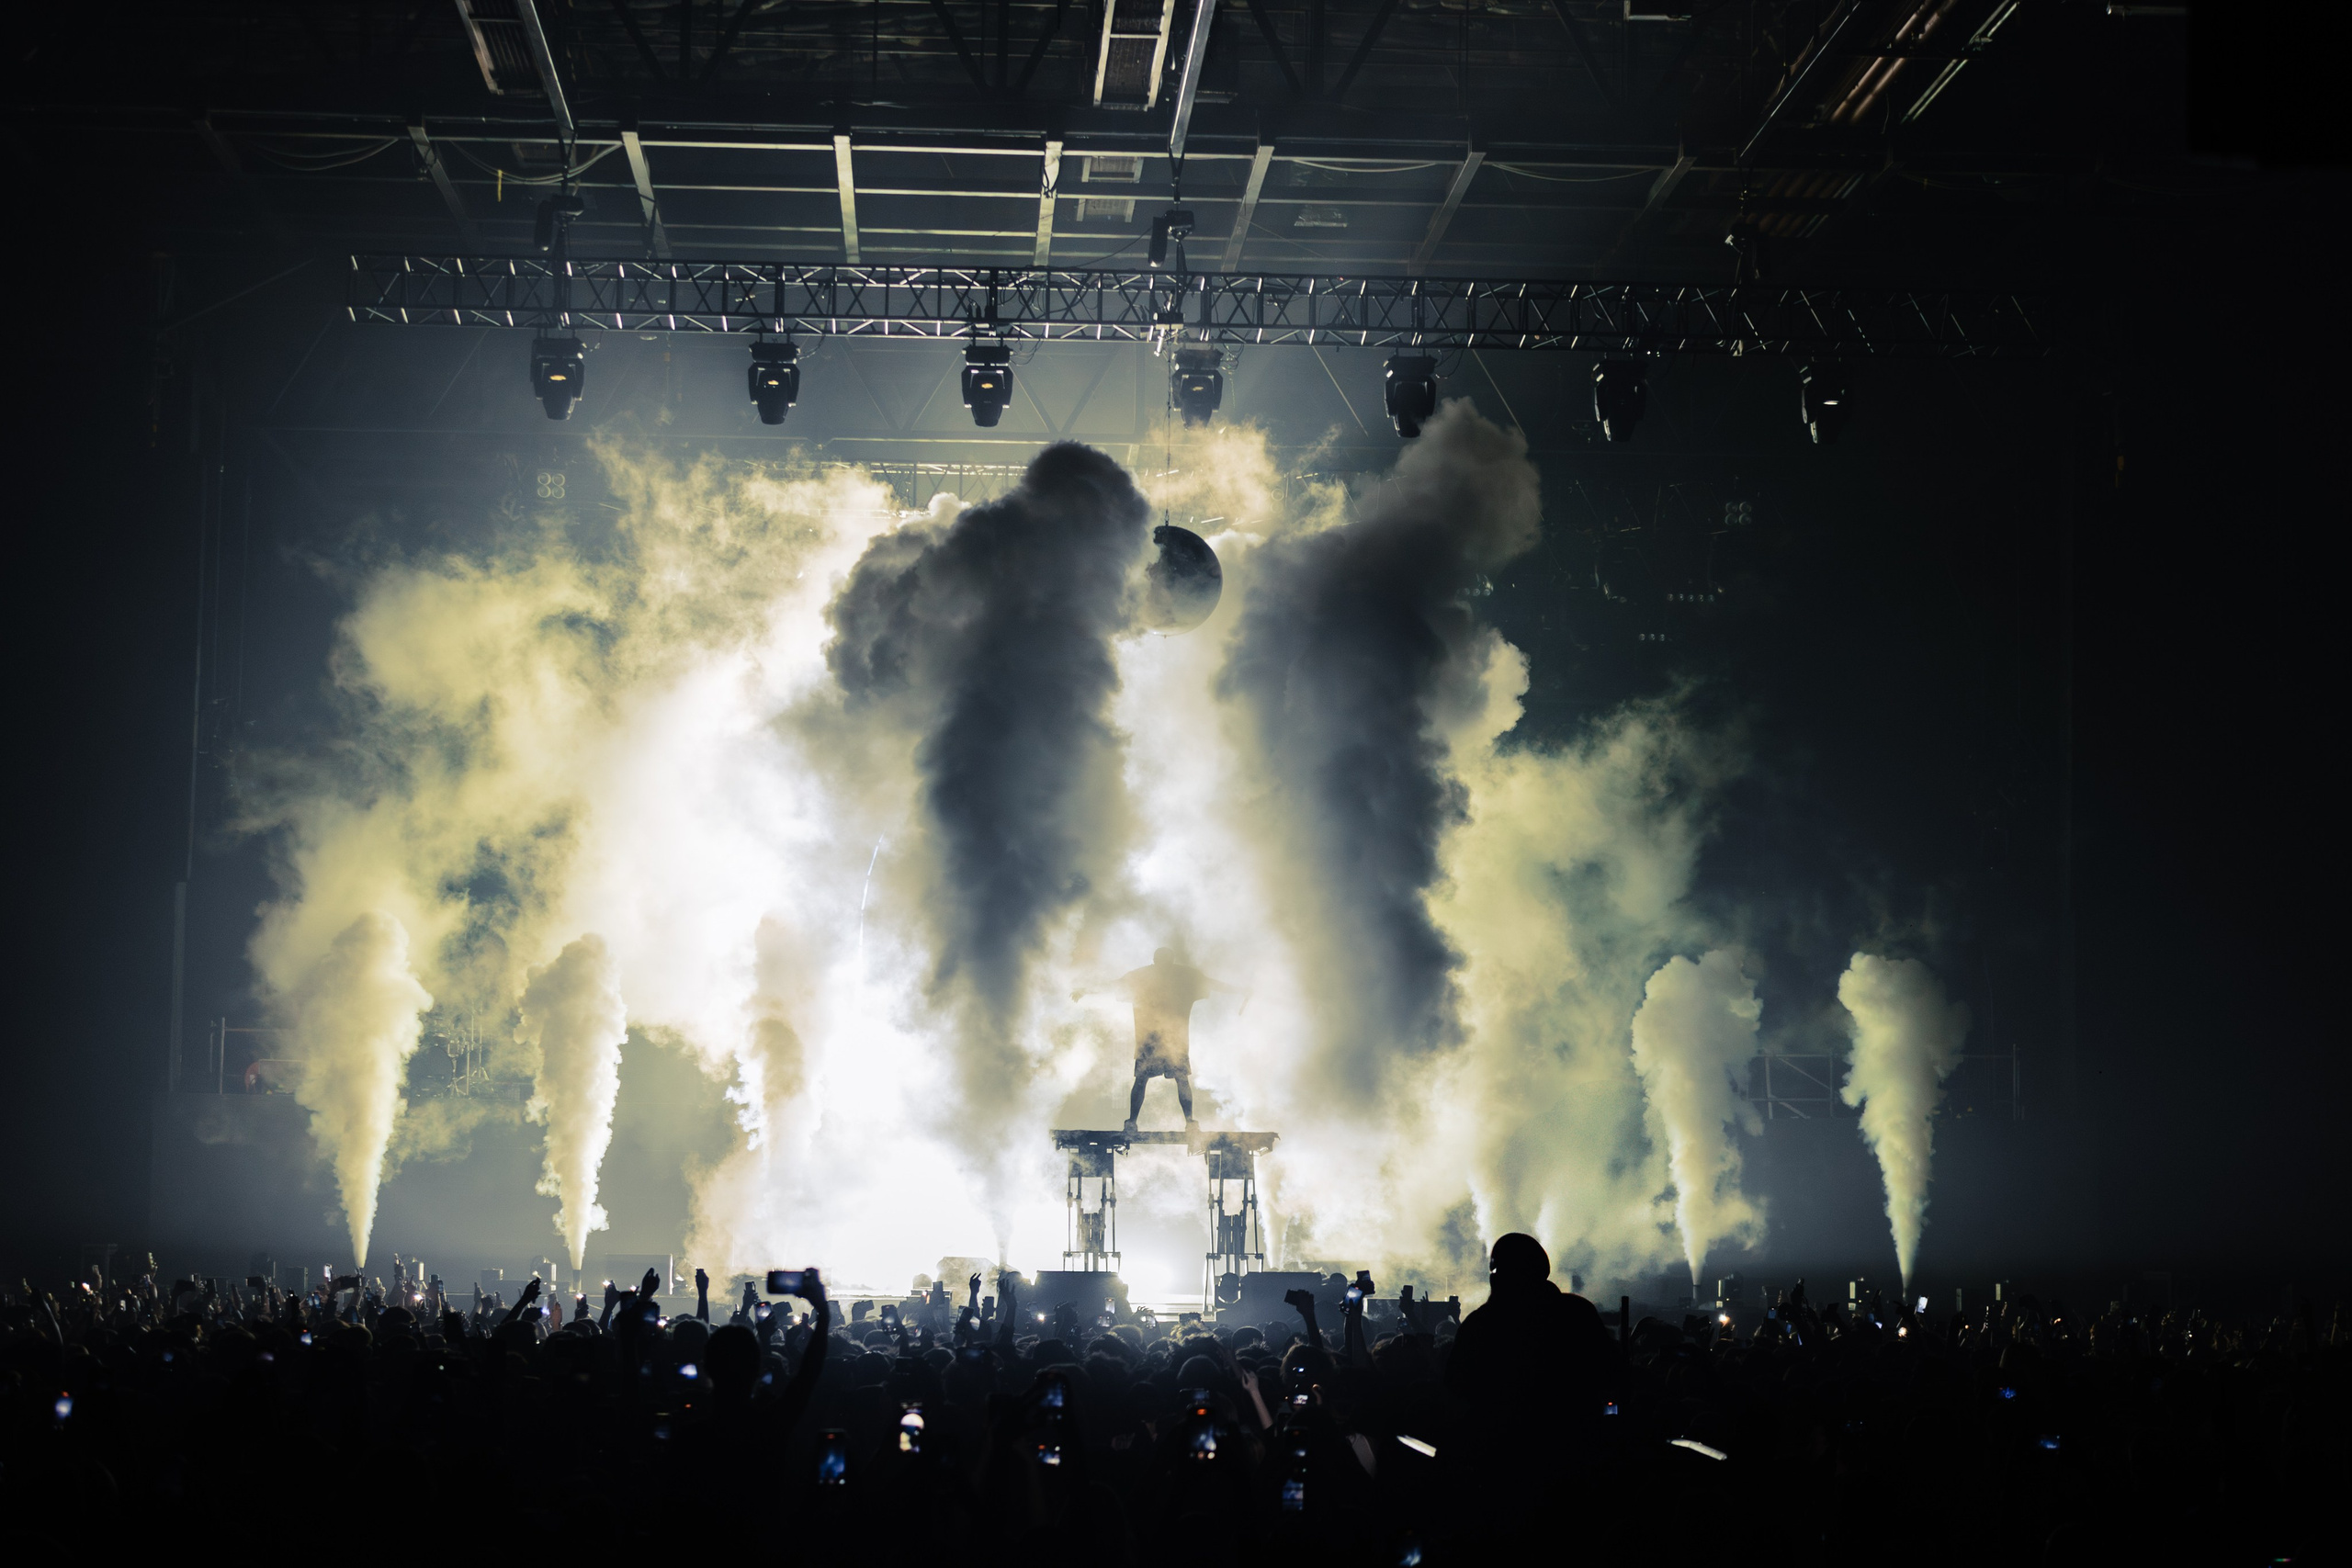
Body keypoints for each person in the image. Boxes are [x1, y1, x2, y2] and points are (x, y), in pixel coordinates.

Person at [1076, 946, 1238, 1132]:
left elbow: (1115, 984)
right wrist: (1086, 990)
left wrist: (1086, 990)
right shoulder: (1176, 977)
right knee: (1168, 1078)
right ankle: (1181, 1122)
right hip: (1158, 1040)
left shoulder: (1155, 977)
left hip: (1160, 1041)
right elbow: (1212, 983)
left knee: (1158, 1078)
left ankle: (1143, 1122)